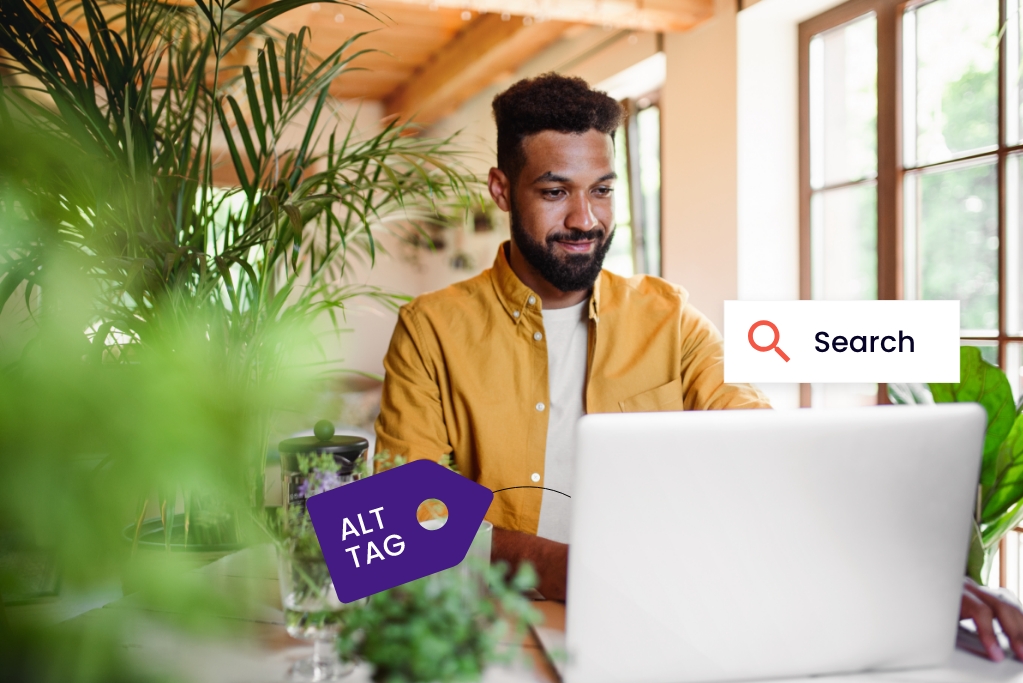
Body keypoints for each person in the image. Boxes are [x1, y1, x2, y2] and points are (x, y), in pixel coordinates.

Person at [374, 73, 1023, 662]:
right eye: (554, 192)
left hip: (669, 628)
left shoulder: (669, 316)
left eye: (601, 190)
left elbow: (766, 455)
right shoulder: (430, 328)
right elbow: (403, 522)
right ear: (500, 188)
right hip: (494, 638)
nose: (584, 219)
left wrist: (911, 573)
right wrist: (576, 568)